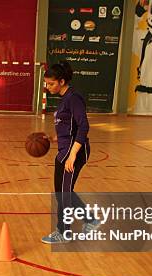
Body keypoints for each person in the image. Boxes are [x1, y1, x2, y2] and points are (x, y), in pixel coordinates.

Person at [41, 61, 97, 244]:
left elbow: (83, 127)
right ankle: (91, 219)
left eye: (51, 84)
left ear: (62, 81)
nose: (47, 87)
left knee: (63, 193)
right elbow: (69, 126)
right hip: (64, 150)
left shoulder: (73, 98)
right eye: (46, 83)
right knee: (64, 191)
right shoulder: (64, 98)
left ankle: (63, 232)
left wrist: (72, 155)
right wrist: (54, 138)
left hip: (73, 152)